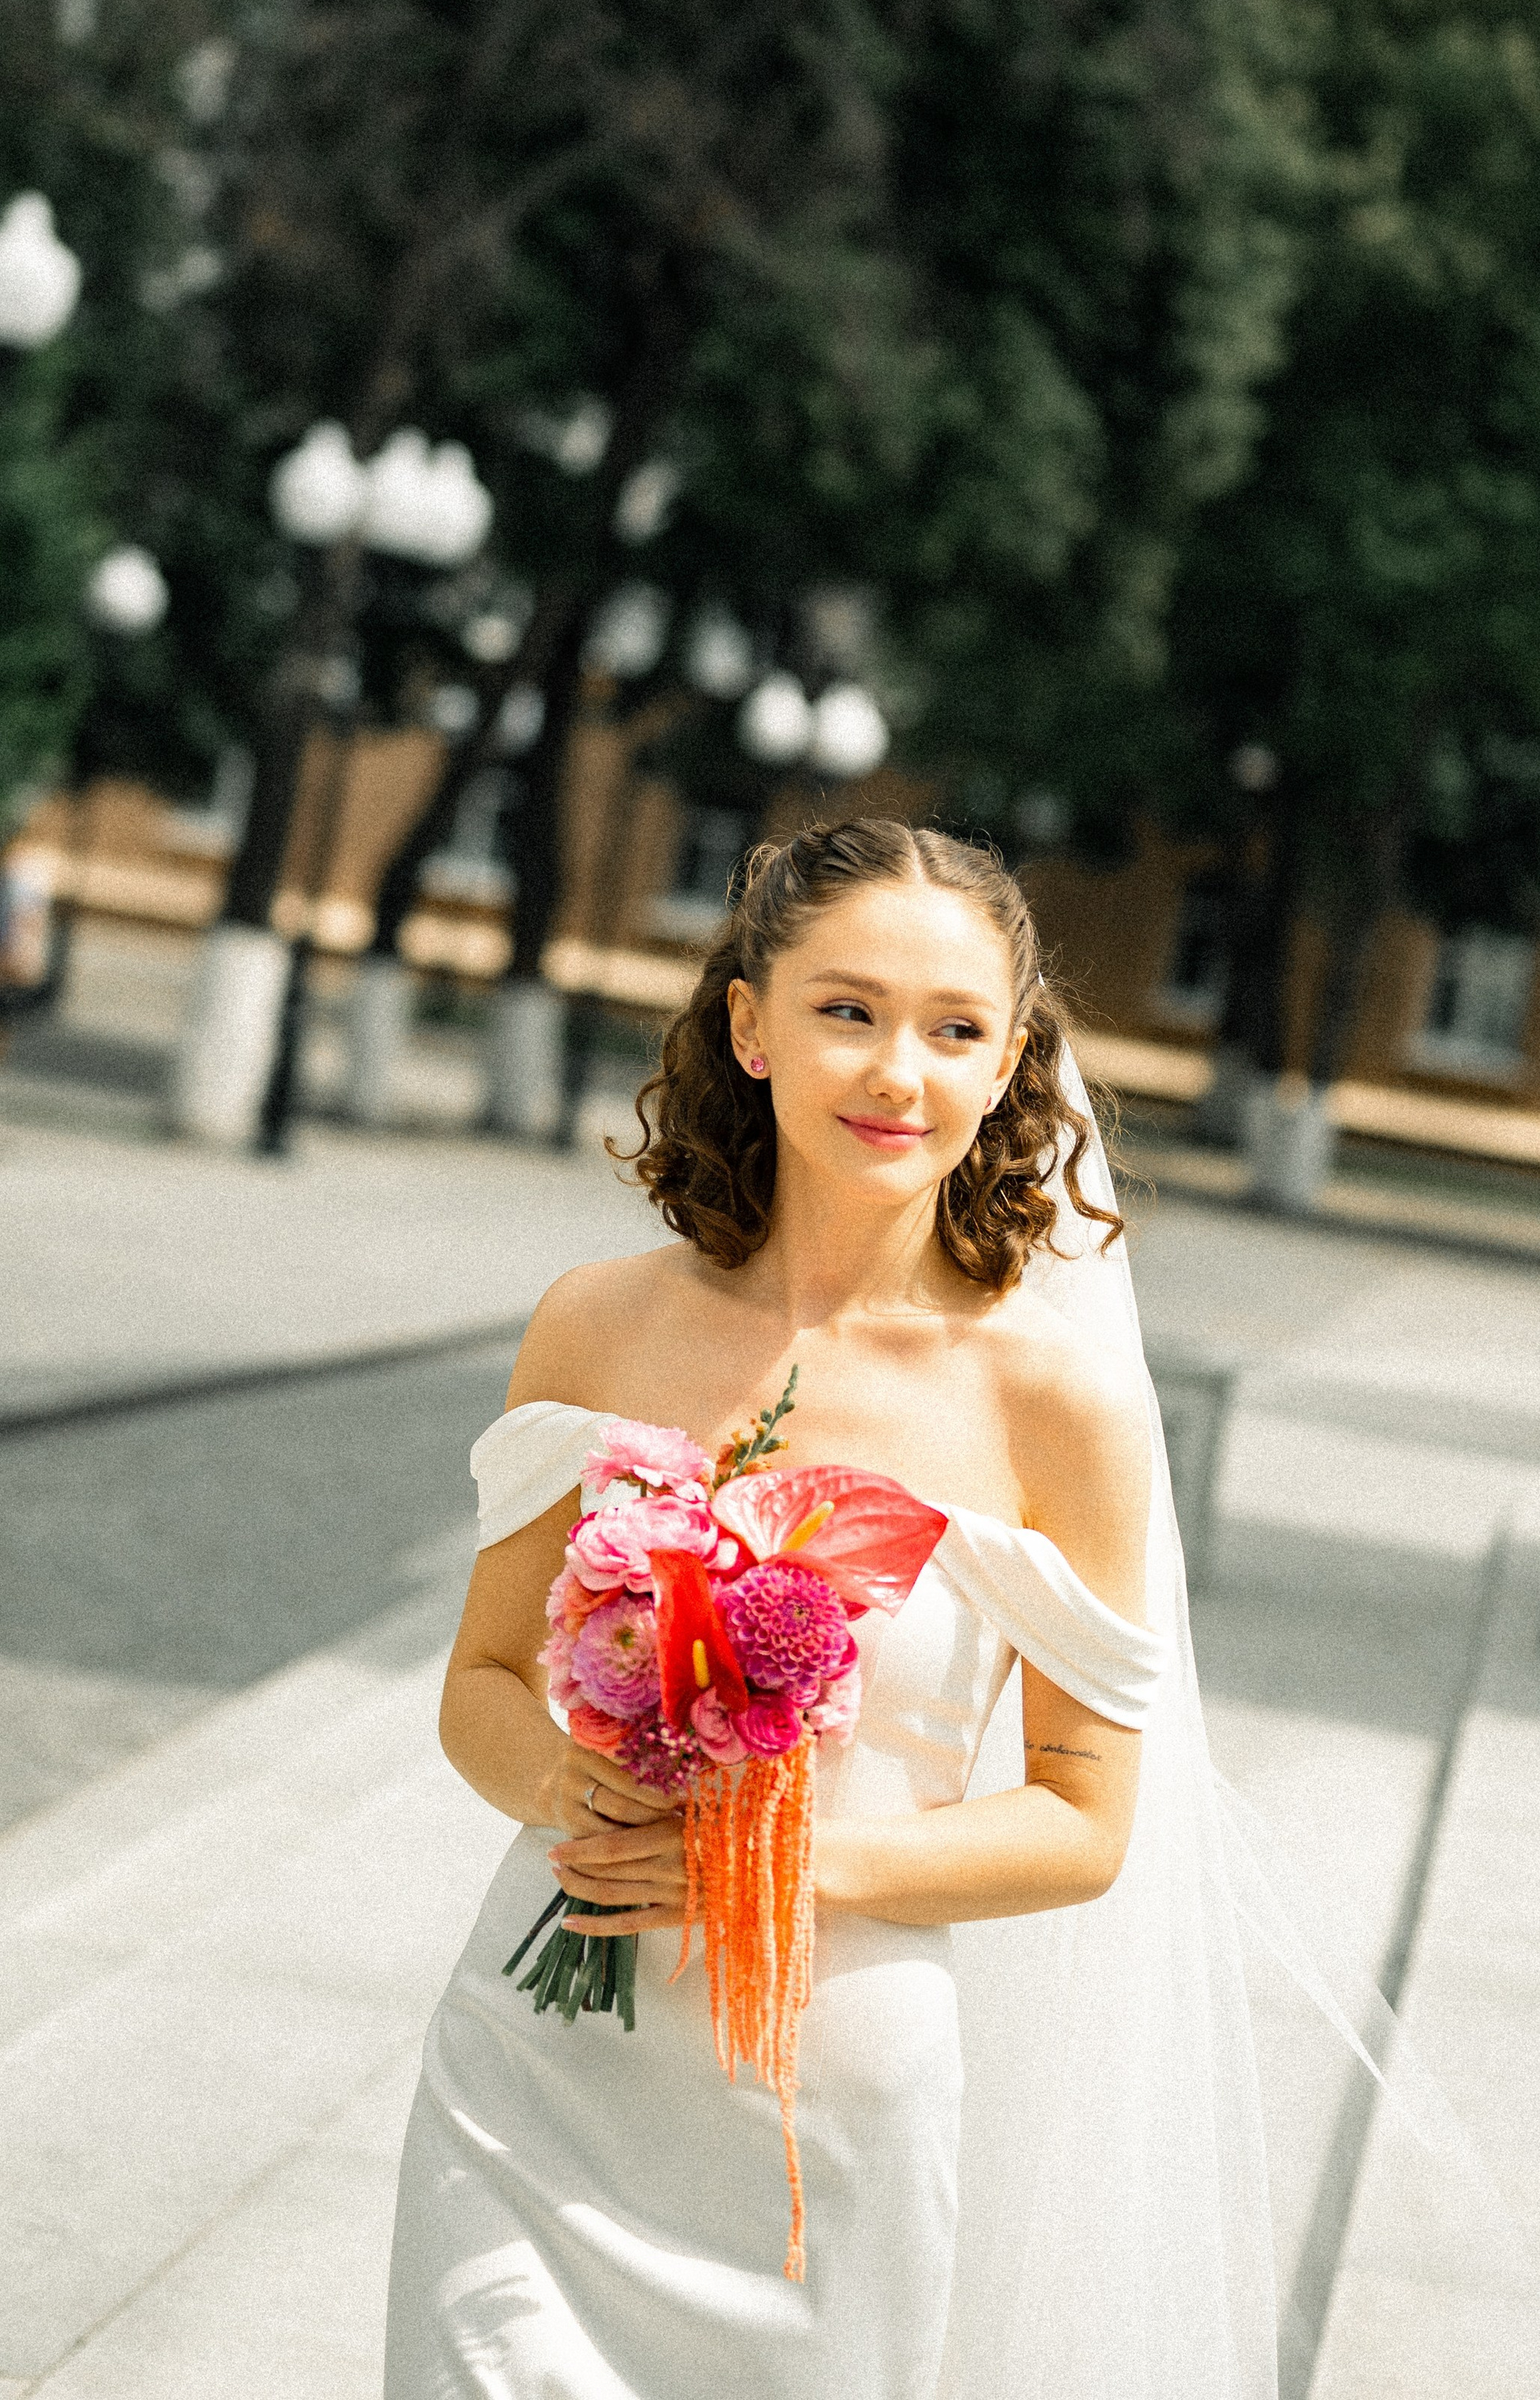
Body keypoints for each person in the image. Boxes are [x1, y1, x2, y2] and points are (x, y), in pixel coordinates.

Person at [385, 817, 1278, 2400]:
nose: (895, 1073)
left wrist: (774, 1859)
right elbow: (482, 1680)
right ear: (749, 1021)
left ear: (1008, 1063)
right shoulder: (592, 1322)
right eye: (845, 1010)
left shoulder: (1051, 1406)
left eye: (951, 1030)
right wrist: (561, 1777)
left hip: (826, 2119)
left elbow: (1081, 1820)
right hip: (535, 2064)